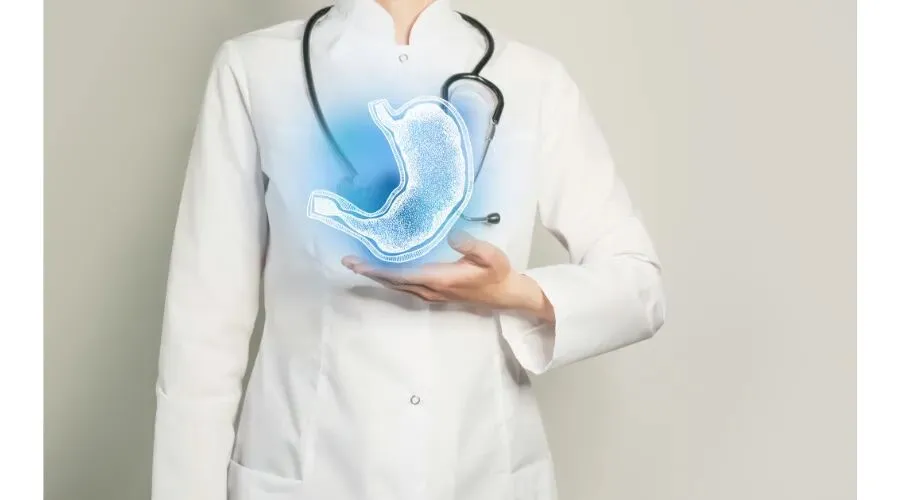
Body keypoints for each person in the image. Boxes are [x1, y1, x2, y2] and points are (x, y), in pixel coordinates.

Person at [151, 0, 667, 499]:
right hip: (310, 475)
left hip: (480, 471)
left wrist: (514, 293)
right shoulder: (255, 69)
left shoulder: (533, 79)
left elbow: (640, 287)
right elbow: (202, 330)